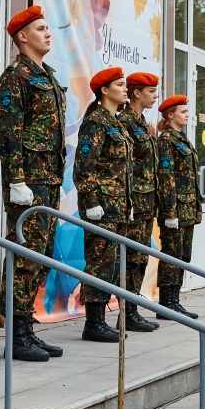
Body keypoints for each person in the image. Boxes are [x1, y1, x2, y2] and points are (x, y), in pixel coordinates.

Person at [0, 6, 66, 362]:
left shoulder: (47, 75)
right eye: (40, 29)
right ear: (22, 37)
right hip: (29, 180)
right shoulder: (15, 77)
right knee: (25, 255)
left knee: (41, 256)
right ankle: (15, 332)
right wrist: (16, 180)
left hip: (48, 180)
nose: (47, 33)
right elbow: (9, 133)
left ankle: (26, 328)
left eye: (47, 27)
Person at [74, 67, 133, 343]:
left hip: (117, 207)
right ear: (105, 91)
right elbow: (84, 166)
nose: (125, 89)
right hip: (101, 207)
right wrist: (91, 201)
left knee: (110, 264)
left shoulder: (116, 123)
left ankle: (100, 319)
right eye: (120, 85)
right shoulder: (96, 122)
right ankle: (93, 322)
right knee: (99, 263)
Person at [119, 72, 161, 332]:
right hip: (133, 201)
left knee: (140, 257)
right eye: (151, 91)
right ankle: (126, 312)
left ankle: (132, 310)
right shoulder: (125, 122)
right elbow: (123, 165)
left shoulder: (143, 123)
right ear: (136, 93)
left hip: (146, 202)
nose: (155, 96)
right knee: (131, 258)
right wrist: (130, 201)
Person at [155, 95, 202, 319]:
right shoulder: (166, 140)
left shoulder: (182, 139)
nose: (187, 115)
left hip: (187, 209)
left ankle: (175, 301)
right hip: (175, 210)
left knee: (183, 255)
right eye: (183, 112)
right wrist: (170, 212)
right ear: (170, 114)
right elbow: (166, 177)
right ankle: (167, 303)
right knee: (172, 254)